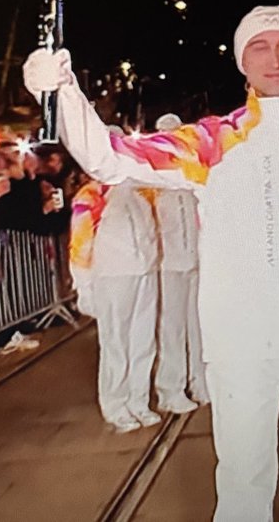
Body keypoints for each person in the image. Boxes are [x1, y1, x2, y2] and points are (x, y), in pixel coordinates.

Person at [23, 4, 279, 522]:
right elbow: (111, 157)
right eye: (259, 48)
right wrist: (62, 92)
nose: (274, 59)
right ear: (242, 63)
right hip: (242, 337)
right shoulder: (211, 140)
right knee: (243, 475)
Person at [70, 162, 163, 434]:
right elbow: (79, 243)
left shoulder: (143, 192)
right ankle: (115, 404)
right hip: (113, 276)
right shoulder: (90, 196)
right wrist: (83, 286)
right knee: (116, 343)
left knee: (143, 341)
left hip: (145, 272)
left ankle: (139, 400)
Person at [151, 113, 209, 413]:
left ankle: (199, 381)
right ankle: (169, 389)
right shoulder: (149, 180)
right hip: (167, 264)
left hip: (195, 261)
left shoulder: (191, 176)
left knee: (198, 325)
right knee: (171, 328)